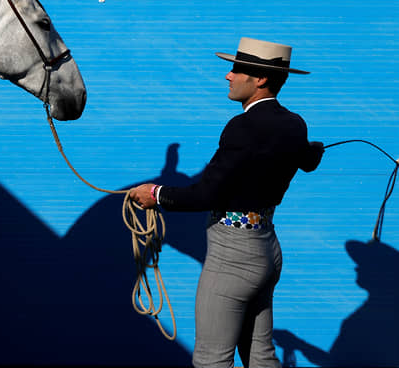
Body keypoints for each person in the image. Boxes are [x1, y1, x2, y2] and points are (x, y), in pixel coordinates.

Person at [130, 37, 324, 368]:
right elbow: (308, 160)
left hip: (233, 256)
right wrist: (313, 149)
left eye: (236, 70)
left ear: (260, 79)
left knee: (212, 360)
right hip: (267, 249)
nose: (228, 76)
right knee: (261, 357)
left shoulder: (243, 127)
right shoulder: (294, 124)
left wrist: (155, 194)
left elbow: (207, 194)